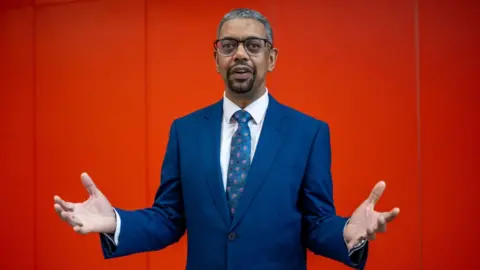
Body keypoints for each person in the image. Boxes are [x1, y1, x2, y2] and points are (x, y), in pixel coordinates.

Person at [53, 8, 400, 270]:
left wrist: (346, 234)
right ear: (216, 58)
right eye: (228, 45)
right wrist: (116, 222)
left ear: (272, 58)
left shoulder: (308, 133)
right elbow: (168, 219)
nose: (240, 54)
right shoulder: (185, 131)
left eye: (253, 45)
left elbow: (316, 223)